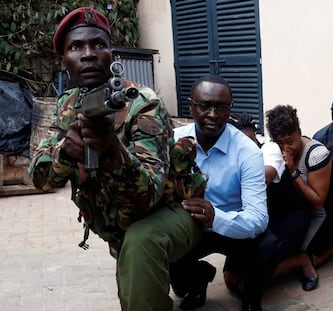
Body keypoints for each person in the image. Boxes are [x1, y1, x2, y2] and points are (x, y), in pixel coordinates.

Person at [28, 7, 204, 311]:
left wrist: (112, 152)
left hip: (174, 210)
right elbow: (39, 180)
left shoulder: (142, 103)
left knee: (139, 252)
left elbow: (147, 196)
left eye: (98, 44)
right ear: (64, 62)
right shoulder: (66, 107)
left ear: (113, 55)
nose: (88, 54)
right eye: (76, 47)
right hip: (121, 224)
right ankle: (192, 278)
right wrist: (64, 154)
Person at [170, 75, 268, 311]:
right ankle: (199, 278)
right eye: (204, 106)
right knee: (179, 285)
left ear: (229, 109)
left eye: (221, 107)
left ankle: (252, 298)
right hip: (190, 226)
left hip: (233, 227)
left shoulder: (247, 152)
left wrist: (217, 218)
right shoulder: (172, 141)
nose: (213, 114)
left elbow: (258, 217)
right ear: (191, 106)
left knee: (262, 246)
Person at [264, 105, 331, 291]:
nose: (286, 148)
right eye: (280, 143)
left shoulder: (317, 154)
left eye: (290, 141)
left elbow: (318, 203)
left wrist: (293, 170)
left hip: (320, 212)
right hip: (289, 209)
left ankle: (316, 252)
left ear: (299, 132)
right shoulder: (274, 151)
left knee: (277, 261)